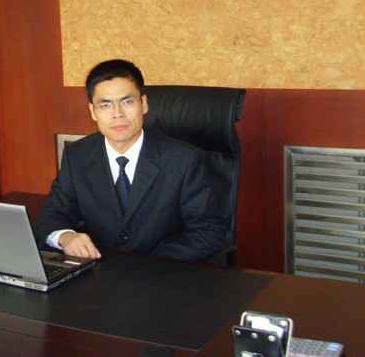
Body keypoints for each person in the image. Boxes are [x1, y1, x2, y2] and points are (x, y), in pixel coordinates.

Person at [34, 59, 226, 262]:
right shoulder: (77, 156)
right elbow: (52, 214)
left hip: (162, 273)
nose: (117, 114)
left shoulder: (184, 160)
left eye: (127, 102)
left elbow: (208, 232)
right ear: (93, 112)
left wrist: (145, 265)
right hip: (99, 272)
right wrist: (66, 237)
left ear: (144, 104)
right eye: (105, 105)